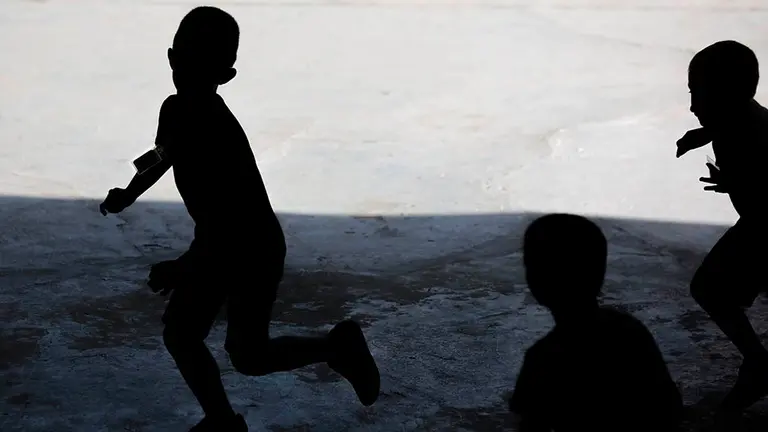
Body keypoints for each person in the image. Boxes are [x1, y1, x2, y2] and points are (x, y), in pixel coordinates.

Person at [99, 7, 380, 431]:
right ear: (172, 58)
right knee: (210, 342)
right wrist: (130, 192)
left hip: (250, 248)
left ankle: (329, 353)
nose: (185, 71)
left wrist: (183, 268)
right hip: (227, 240)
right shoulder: (175, 110)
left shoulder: (214, 129)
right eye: (184, 60)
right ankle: (229, 416)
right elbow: (162, 155)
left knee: (229, 349)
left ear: (224, 76)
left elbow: (229, 230)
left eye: (197, 63)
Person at [507, 213, 683, 431]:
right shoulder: (629, 331)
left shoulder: (544, 358)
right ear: (599, 274)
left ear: (534, 280)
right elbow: (669, 407)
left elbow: (530, 424)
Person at [676, 40, 768, 420]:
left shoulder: (754, 133)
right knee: (712, 289)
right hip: (759, 225)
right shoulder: (735, 120)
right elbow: (725, 121)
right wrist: (703, 135)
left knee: (710, 289)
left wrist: (738, 183)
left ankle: (760, 366)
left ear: (730, 95)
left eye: (700, 95)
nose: (693, 106)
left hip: (765, 227)